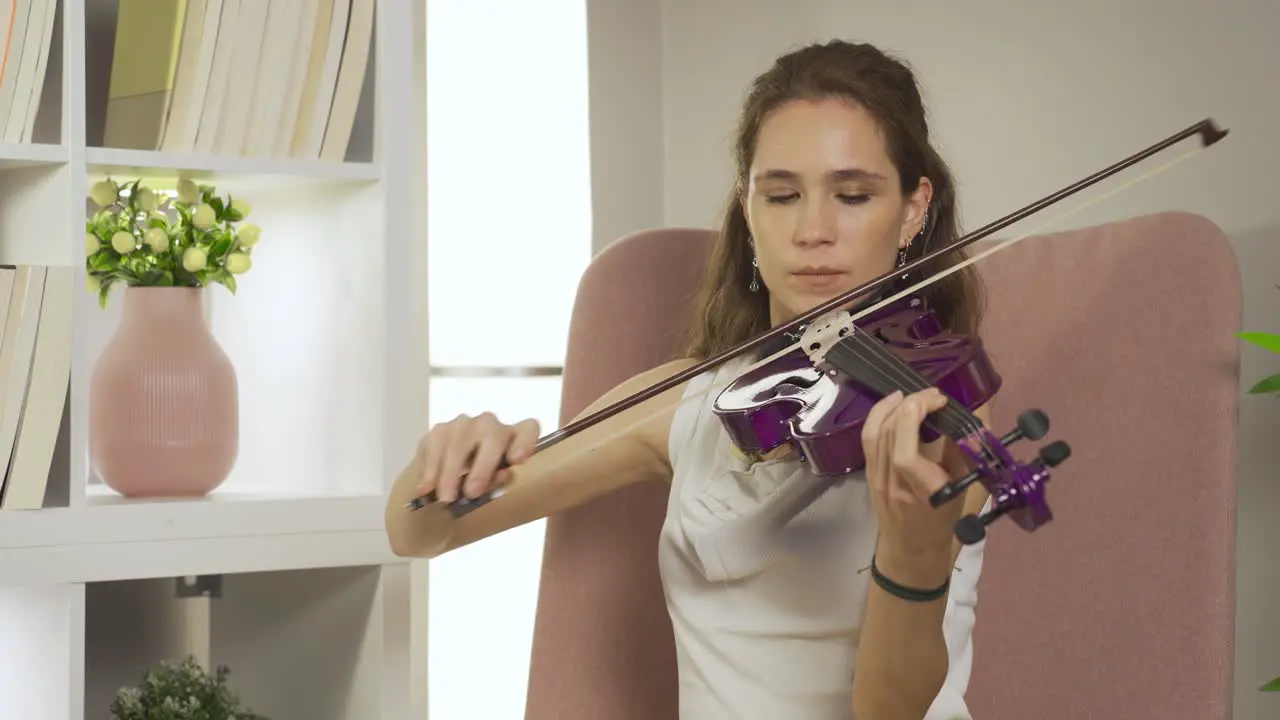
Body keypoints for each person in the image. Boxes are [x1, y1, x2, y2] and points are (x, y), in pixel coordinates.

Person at [386, 39, 993, 720]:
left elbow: (890, 711)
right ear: (748, 211)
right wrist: (448, 458)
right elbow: (419, 533)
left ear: (913, 211)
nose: (813, 229)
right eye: (783, 195)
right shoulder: (693, 403)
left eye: (853, 195)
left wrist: (916, 550)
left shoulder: (939, 421)